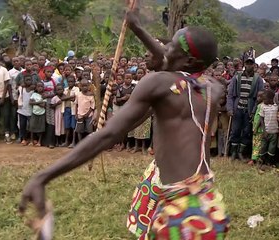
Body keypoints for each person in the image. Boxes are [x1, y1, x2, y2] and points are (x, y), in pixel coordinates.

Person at [19, 25, 230, 239]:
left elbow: (109, 134)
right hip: (209, 205)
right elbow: (168, 60)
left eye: (171, 46)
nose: (163, 49)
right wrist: (136, 26)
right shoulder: (212, 88)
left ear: (188, 61)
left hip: (182, 214)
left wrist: (43, 177)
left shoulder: (159, 84)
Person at [227, 57, 264, 161]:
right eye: (247, 63)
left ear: (254, 65)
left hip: (249, 109)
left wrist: (254, 111)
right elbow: (230, 95)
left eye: (251, 63)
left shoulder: (258, 79)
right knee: (235, 131)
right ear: (244, 64)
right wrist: (229, 108)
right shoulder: (237, 77)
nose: (249, 65)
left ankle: (240, 153)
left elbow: (259, 97)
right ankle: (233, 153)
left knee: (247, 131)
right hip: (237, 108)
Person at [258, 90, 279, 170]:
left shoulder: (276, 106)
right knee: (263, 147)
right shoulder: (263, 106)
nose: (263, 101)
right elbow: (261, 118)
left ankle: (269, 162)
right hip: (266, 131)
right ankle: (262, 162)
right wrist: (264, 130)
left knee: (272, 148)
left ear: (271, 99)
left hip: (274, 132)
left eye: (265, 99)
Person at [73, 79, 95, 146]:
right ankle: (80, 143)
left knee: (89, 130)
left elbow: (92, 107)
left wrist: (88, 113)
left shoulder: (91, 95)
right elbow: (76, 104)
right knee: (79, 130)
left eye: (86, 86)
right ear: (80, 86)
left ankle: (89, 144)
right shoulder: (78, 95)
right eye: (83, 86)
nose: (84, 87)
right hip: (80, 115)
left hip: (88, 115)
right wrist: (76, 113)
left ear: (88, 86)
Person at [61, 76, 79, 147]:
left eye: (72, 81)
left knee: (73, 126)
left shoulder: (76, 89)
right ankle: (66, 141)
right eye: (69, 81)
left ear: (74, 82)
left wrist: (66, 98)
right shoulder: (65, 89)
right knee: (67, 126)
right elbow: (62, 98)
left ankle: (73, 142)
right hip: (66, 109)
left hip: (73, 109)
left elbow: (76, 97)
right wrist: (70, 98)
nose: (70, 83)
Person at [17, 75, 35, 145]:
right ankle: (23, 138)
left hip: (31, 110)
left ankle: (31, 139)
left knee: (31, 126)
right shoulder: (21, 88)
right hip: (22, 110)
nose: (28, 81)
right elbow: (19, 97)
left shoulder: (34, 89)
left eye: (29, 80)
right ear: (24, 81)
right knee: (22, 125)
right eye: (27, 80)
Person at [9, 57, 23, 141]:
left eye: (18, 61)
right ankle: (13, 132)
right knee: (13, 115)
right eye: (14, 61)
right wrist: (11, 97)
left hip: (23, 96)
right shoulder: (10, 72)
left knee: (21, 115)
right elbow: (9, 86)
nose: (16, 62)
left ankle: (21, 133)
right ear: (12, 63)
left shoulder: (24, 71)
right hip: (14, 96)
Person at [29, 82, 46, 146]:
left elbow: (43, 105)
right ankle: (31, 140)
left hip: (42, 113)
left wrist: (35, 102)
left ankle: (39, 141)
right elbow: (30, 102)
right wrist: (39, 102)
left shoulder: (44, 95)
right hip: (34, 112)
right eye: (38, 86)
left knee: (41, 128)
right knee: (32, 127)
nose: (40, 88)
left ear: (43, 87)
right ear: (36, 88)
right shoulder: (34, 94)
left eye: (41, 86)